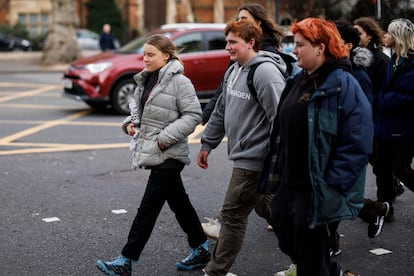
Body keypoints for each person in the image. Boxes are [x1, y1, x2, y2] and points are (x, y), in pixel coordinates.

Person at [96, 34, 210, 276]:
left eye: (151, 55)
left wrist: (164, 138)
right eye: (144, 54)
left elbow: (193, 115)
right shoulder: (147, 79)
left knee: (147, 209)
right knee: (179, 203)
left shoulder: (180, 82)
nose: (145, 59)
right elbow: (143, 111)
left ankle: (127, 260)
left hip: (168, 153)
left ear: (166, 56)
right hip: (157, 151)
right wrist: (130, 123)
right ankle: (201, 247)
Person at [270, 18, 373, 276]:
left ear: (321, 48)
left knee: (309, 255)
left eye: (300, 44)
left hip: (315, 186)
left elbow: (358, 140)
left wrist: (333, 183)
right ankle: (331, 271)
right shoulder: (299, 80)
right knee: (284, 233)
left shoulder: (342, 84)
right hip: (288, 180)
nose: (294, 50)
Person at [200, 2, 296, 240]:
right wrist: (207, 141)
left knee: (235, 215)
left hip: (255, 153)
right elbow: (223, 101)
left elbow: (279, 117)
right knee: (264, 205)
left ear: (257, 29)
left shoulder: (264, 66)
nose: (239, 23)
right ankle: (307, 241)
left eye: (245, 19)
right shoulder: (237, 64)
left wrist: (277, 156)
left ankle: (216, 267)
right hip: (245, 149)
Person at [323, 19, 374, 259]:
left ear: (349, 45)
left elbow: (360, 120)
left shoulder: (357, 76)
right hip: (328, 146)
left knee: (336, 197)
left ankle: (330, 243)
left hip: (342, 147)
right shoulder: (328, 70)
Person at [359, 18, 414, 238]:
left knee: (401, 168)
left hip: (404, 128)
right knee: (381, 168)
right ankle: (385, 209)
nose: (386, 36)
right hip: (385, 125)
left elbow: (409, 97)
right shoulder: (393, 60)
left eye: (389, 33)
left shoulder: (409, 62)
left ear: (398, 37)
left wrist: (382, 99)